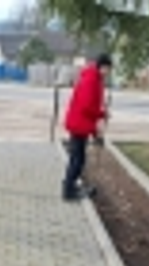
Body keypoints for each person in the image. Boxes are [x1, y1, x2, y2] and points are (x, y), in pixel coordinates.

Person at [62, 53, 112, 201]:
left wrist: (98, 119)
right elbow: (87, 106)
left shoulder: (94, 79)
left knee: (77, 157)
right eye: (108, 69)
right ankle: (68, 190)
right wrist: (101, 114)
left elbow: (92, 104)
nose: (108, 73)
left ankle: (70, 185)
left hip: (81, 123)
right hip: (79, 124)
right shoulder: (91, 80)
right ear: (102, 66)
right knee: (77, 158)